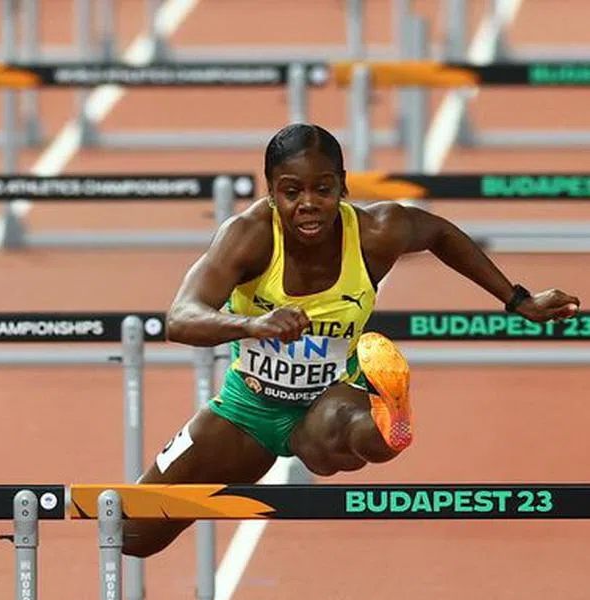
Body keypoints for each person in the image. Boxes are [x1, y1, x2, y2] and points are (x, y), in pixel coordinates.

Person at [125, 123, 580, 558]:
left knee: (335, 446)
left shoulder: (376, 232)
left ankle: (390, 412)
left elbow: (440, 233)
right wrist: (252, 325)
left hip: (328, 396)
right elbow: (180, 318)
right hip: (246, 410)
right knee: (131, 533)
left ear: (342, 186)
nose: (308, 204)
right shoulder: (249, 235)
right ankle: (375, 420)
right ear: (271, 191)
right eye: (292, 192)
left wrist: (517, 299)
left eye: (323, 190)